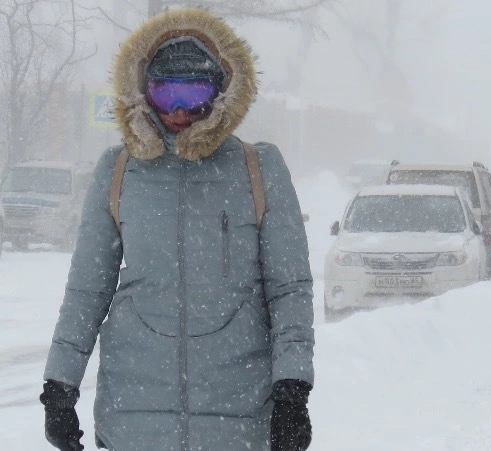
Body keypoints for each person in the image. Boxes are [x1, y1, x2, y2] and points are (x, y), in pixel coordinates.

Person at [40, 8, 314, 451]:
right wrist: (59, 384)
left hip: (237, 419)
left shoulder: (258, 169)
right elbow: (87, 289)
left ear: (222, 91)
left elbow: (289, 290)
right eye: (167, 94)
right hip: (134, 419)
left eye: (196, 93)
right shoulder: (118, 171)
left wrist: (292, 390)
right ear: (145, 93)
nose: (182, 112)